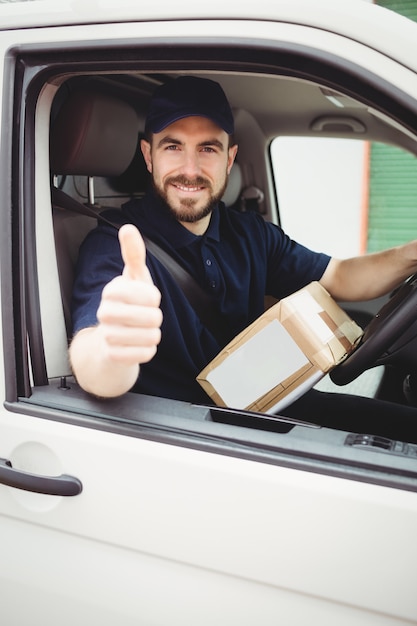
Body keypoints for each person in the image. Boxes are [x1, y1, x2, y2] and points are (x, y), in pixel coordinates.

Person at [70, 75, 417, 442]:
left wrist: (410, 255)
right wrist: (114, 348)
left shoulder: (251, 233)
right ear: (148, 156)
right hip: (192, 438)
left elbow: (342, 275)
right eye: (173, 147)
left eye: (207, 149)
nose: (190, 169)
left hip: (265, 408)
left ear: (230, 157)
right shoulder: (116, 245)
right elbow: (94, 362)